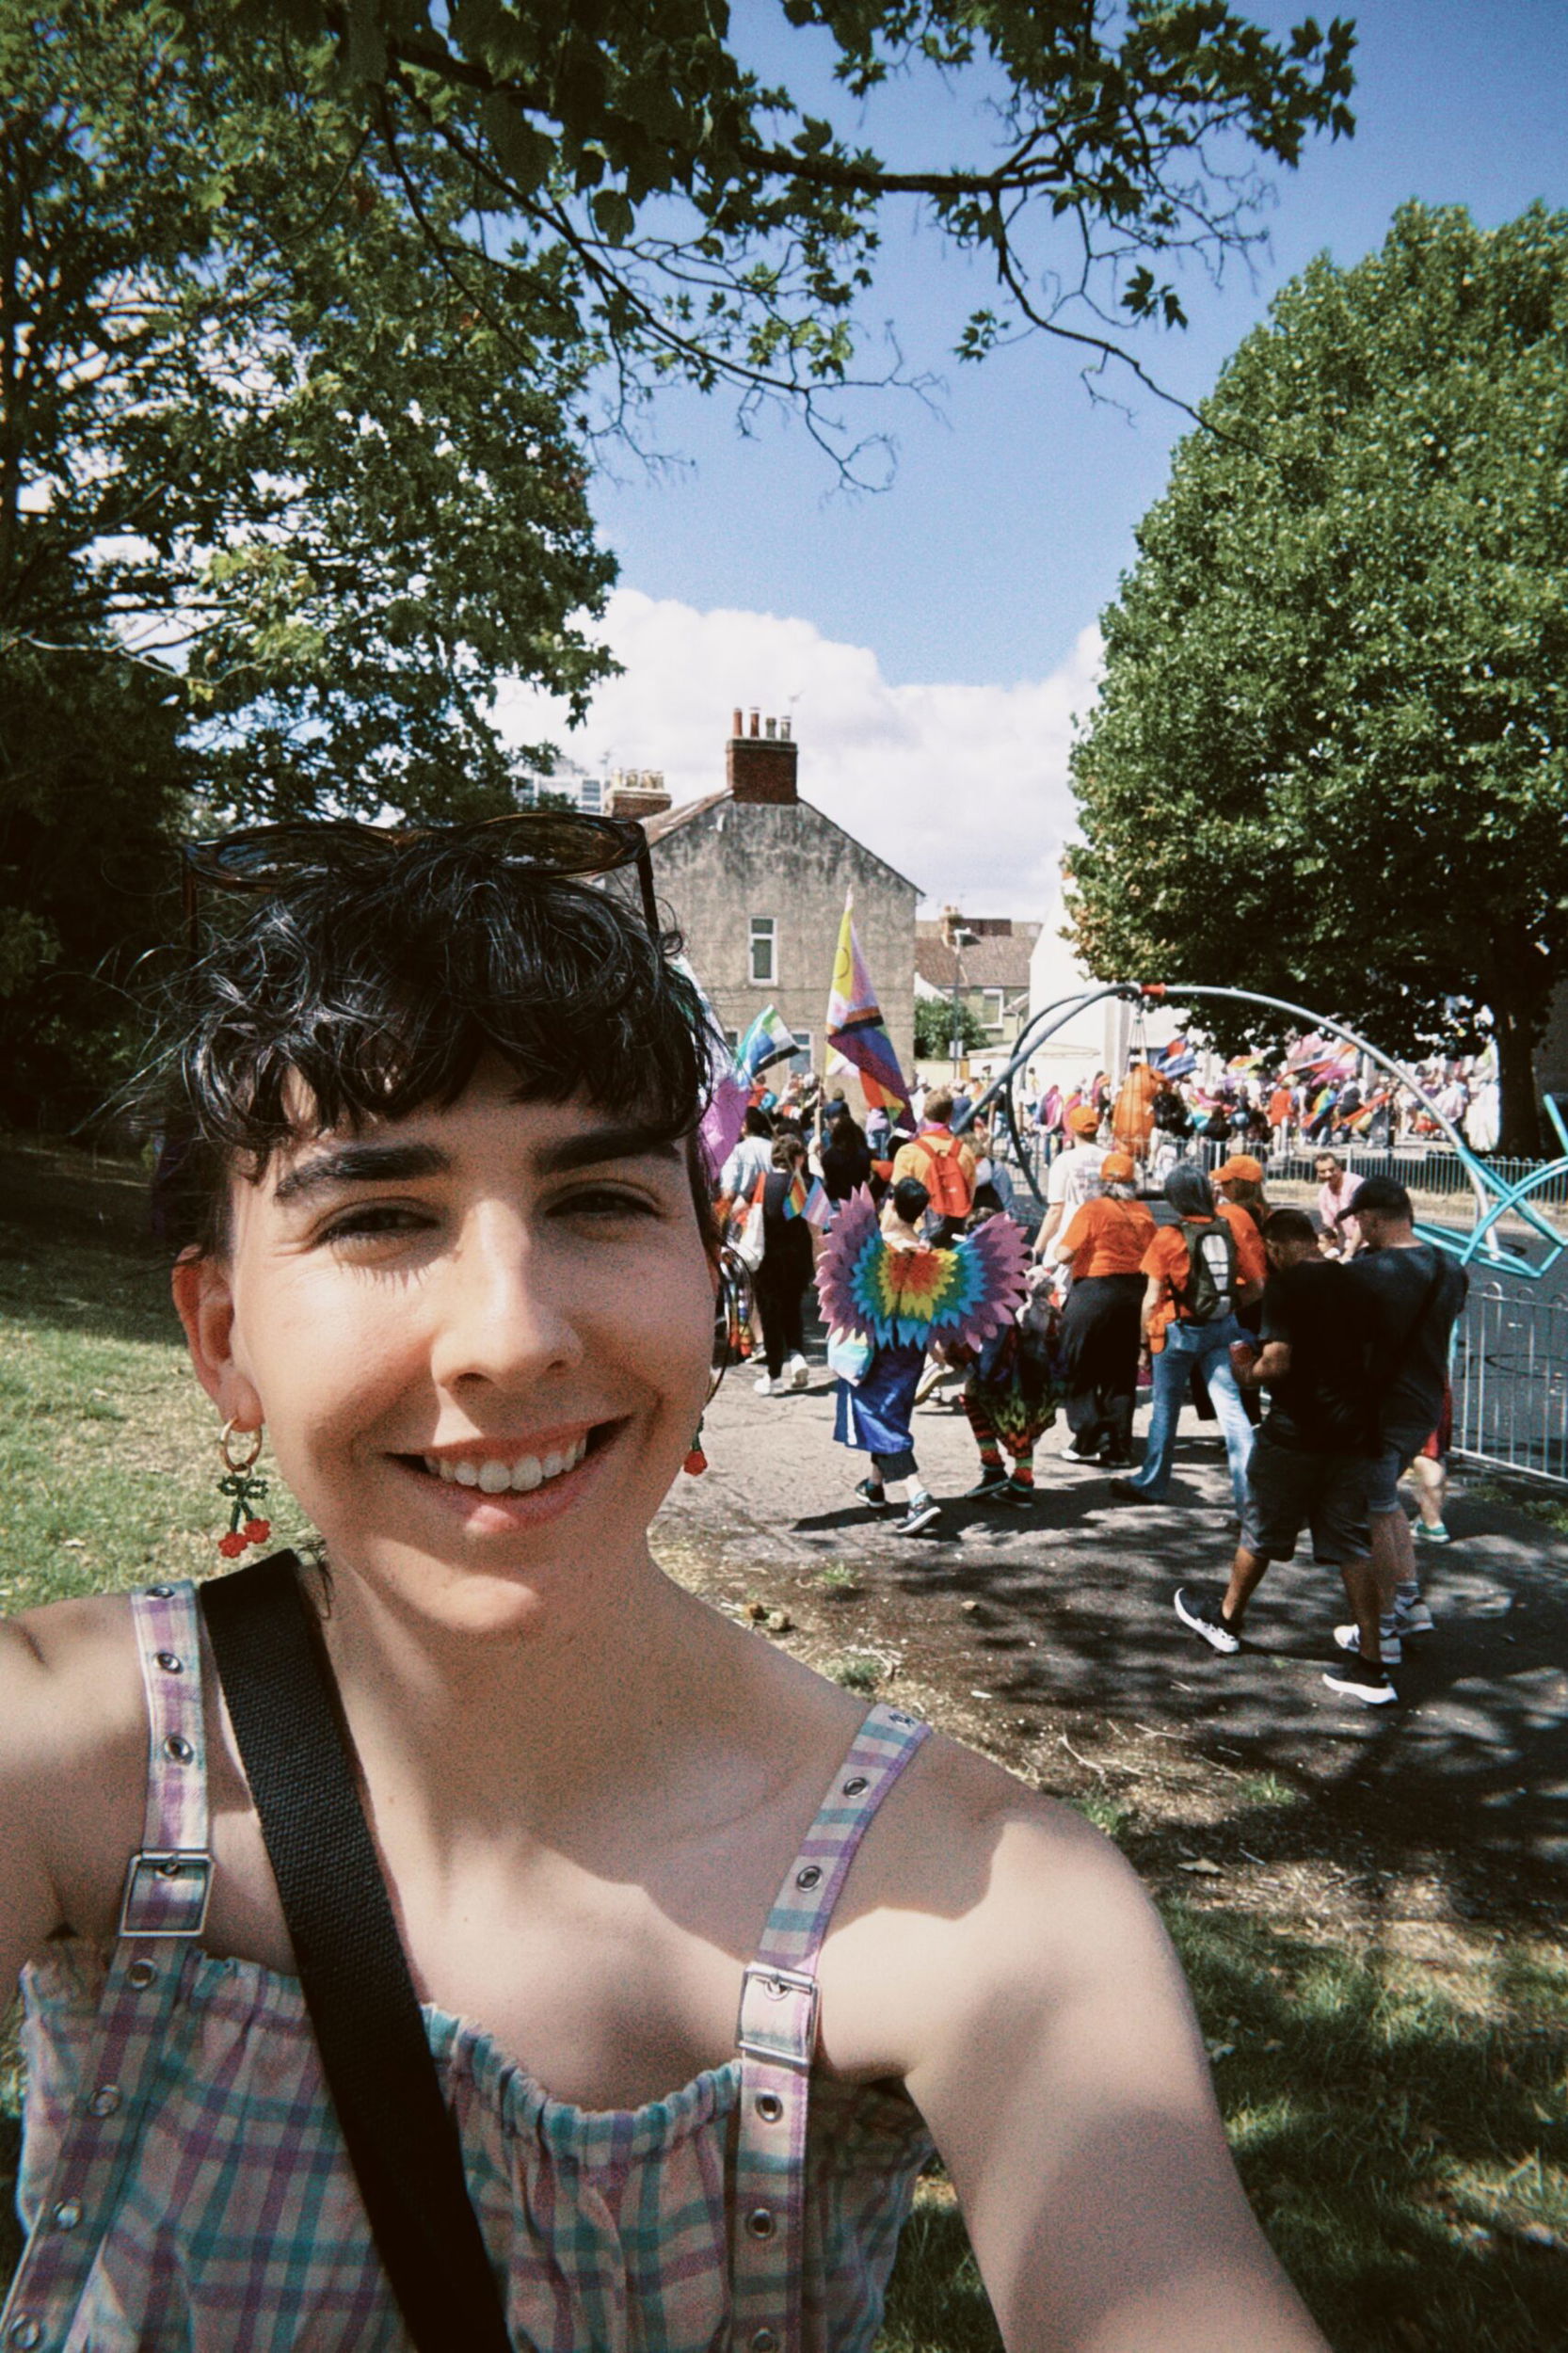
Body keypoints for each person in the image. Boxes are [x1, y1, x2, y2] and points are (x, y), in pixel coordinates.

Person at [0, 824, 1333, 2353]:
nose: (510, 1337)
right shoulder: (69, 1758)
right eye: (378, 1217)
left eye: (599, 1204)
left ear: (708, 1278)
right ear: (222, 1339)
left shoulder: (988, 1905)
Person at [1172, 1210, 1380, 1692]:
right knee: (1351, 1543)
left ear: (1277, 1245)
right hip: (1349, 1432)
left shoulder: (1288, 1287)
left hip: (1297, 1431)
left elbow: (1278, 1363)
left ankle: (1226, 1621)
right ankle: (1373, 1660)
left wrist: (1245, 1368)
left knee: (1260, 1529)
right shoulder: (1356, 1283)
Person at [1331, 1176, 1468, 1702]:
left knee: (1365, 1514)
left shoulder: (1369, 1273)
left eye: (1360, 1219)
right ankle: (1410, 1604)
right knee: (1386, 1503)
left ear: (1370, 1217)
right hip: (1423, 1402)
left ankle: (1381, 1630)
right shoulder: (1449, 1267)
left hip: (1377, 1408)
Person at [1111, 1165, 1265, 1519]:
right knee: (1233, 1412)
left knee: (1165, 1410)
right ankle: (1250, 1500)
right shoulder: (1229, 1230)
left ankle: (1153, 1482)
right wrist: (1226, 1309)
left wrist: (1142, 1345)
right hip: (1221, 1328)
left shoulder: (1169, 1236)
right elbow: (1257, 1287)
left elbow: (1151, 1299)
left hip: (1175, 1330)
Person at [828, 1176, 945, 1535]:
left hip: (877, 1347)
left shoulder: (877, 1253)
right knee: (891, 1414)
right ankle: (874, 1485)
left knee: (878, 1416)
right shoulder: (928, 1255)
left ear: (891, 1204)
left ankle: (918, 1495)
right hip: (911, 1346)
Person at [1048, 1151, 1155, 1468]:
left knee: (1074, 1360)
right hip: (1133, 1294)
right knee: (1120, 1372)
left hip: (1095, 1291)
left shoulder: (1093, 1209)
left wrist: (1052, 1250)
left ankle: (1088, 1433)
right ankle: (1119, 1448)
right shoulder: (1144, 1213)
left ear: (1103, 1183)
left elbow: (1065, 1253)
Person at [752, 1134, 816, 1397]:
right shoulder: (808, 1185)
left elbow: (742, 1210)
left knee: (770, 1316)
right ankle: (798, 1355)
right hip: (798, 1260)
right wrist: (818, 1265)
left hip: (767, 1261)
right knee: (793, 1309)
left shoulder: (763, 1183)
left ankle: (774, 1375)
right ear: (798, 1158)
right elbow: (818, 1230)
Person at [891, 1087, 975, 1244]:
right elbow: (970, 1195)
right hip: (954, 1238)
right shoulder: (965, 1152)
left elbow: (897, 1202)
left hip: (917, 1237)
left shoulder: (908, 1152)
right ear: (950, 1115)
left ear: (924, 1111)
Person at [1032, 1101, 1106, 1257]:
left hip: (1071, 1239)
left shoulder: (1064, 1161)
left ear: (1072, 1130)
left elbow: (1056, 1210)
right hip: (1104, 1235)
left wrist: (1038, 1247)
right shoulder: (1110, 1158)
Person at [820, 1106, 873, 1203]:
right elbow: (866, 1177)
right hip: (856, 1201)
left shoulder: (827, 1157)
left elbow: (827, 1180)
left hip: (834, 1201)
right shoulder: (863, 1155)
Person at [1314, 1152, 1363, 1255]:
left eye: (1332, 1169)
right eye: (1323, 1171)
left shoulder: (1356, 1184)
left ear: (1339, 1167)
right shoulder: (1323, 1194)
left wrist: (1349, 1253)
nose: (1328, 1174)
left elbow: (1364, 1222)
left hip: (1369, 1245)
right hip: (1346, 1246)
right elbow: (1330, 1227)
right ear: (1318, 1173)